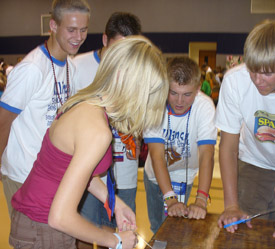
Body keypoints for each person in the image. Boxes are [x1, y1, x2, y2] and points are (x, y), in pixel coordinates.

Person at [9, 36, 169, 249]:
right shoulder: (97, 130)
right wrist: (116, 240)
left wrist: (116, 204)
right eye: (147, 95)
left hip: (37, 223)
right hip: (43, 228)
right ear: (124, 79)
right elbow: (60, 217)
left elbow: (74, 171)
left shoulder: (86, 103)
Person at [0, 0, 90, 216]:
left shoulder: (70, 66)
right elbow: (2, 123)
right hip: (24, 176)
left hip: (53, 175)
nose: (78, 37)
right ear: (53, 26)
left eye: (84, 30)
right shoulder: (32, 69)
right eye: (71, 30)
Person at [216, 19, 275, 241]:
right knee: (241, 235)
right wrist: (231, 205)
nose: (257, 80)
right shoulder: (235, 80)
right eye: (252, 70)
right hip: (253, 164)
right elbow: (228, 147)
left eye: (267, 73)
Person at [72, 12, 142, 229]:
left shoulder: (138, 73)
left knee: (116, 233)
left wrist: (135, 138)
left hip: (124, 174)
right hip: (88, 172)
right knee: (84, 231)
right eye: (117, 48)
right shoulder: (77, 67)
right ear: (104, 40)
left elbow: (139, 121)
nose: (122, 56)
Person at [143, 56, 217, 234]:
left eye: (187, 94)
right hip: (154, 175)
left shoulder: (205, 107)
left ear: (198, 89)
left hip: (184, 175)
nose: (179, 101)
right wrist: (170, 198)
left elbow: (207, 154)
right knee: (157, 228)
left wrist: (201, 199)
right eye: (173, 93)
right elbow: (157, 156)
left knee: (176, 229)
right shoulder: (154, 105)